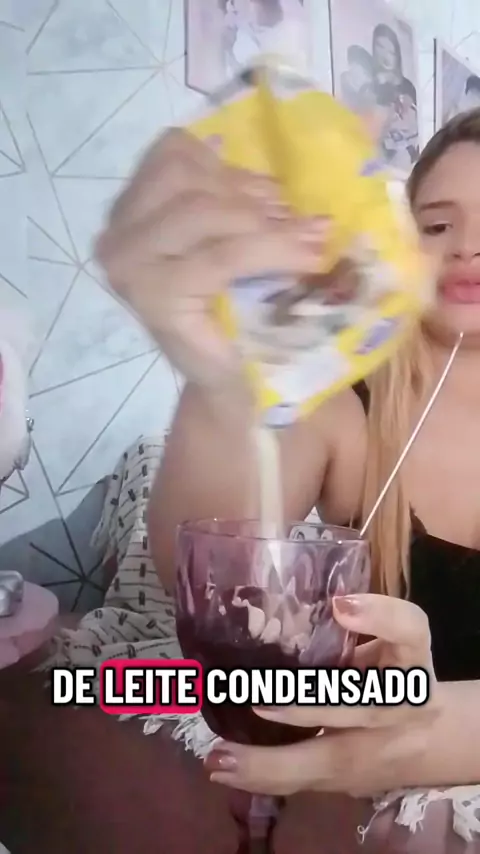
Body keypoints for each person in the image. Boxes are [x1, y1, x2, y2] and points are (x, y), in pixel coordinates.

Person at [93, 108, 480, 847]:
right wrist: (221, 383)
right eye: (437, 225)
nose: (467, 247)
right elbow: (199, 567)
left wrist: (438, 734)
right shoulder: (344, 398)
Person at [371, 23, 419, 165]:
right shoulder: (369, 86)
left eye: (391, 52)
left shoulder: (408, 88)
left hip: (402, 158)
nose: (385, 56)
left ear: (397, 55)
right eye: (380, 47)